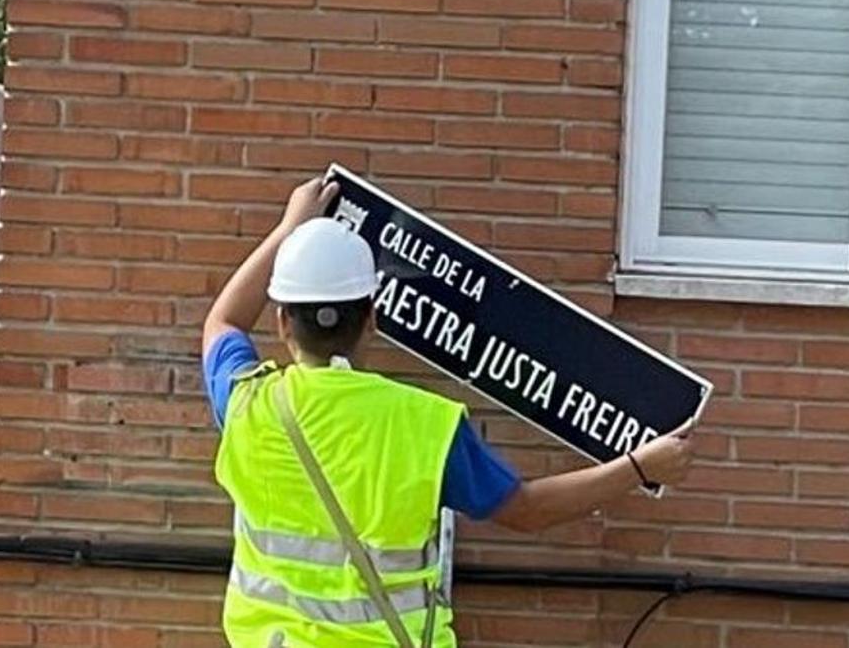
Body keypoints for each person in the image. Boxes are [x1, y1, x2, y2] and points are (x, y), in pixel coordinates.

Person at [202, 178, 696, 647]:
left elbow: (223, 321)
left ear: (283, 320)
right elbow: (529, 510)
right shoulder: (425, 425)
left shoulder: (246, 405)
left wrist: (289, 230)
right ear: (372, 317)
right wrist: (639, 467)